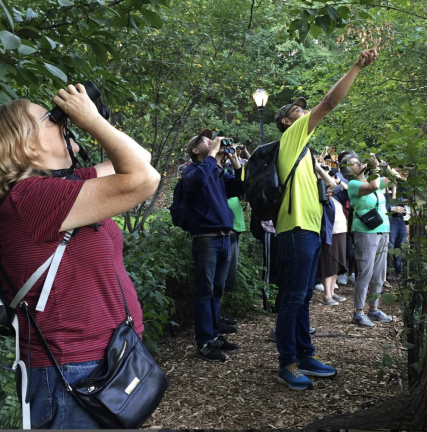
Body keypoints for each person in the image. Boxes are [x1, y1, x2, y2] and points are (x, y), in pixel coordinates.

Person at [0, 85, 160, 428]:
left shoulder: (63, 187)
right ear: (25, 145)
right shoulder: (28, 198)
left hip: (108, 358)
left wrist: (94, 120)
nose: (62, 122)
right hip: (72, 372)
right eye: (51, 118)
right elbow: (145, 180)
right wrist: (90, 122)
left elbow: (141, 158)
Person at [273, 41, 380, 390]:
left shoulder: (305, 152)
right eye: (296, 111)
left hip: (310, 228)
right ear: (286, 122)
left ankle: (305, 354)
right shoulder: (291, 137)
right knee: (293, 297)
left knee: (303, 296)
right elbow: (330, 103)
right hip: (295, 230)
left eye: (303, 110)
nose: (304, 112)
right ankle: (286, 362)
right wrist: (357, 67)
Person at [182, 129, 244, 362]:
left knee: (217, 289)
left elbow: (240, 189)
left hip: (224, 236)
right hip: (205, 237)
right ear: (195, 151)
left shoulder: (217, 172)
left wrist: (235, 162)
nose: (211, 140)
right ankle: (204, 341)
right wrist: (214, 155)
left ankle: (215, 334)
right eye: (204, 140)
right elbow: (197, 181)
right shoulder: (191, 170)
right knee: (204, 290)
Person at [340, 152, 400, 327]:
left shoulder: (372, 179)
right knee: (365, 272)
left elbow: (395, 178)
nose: (359, 163)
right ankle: (358, 312)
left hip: (383, 230)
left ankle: (373, 309)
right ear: (348, 170)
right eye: (354, 163)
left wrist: (381, 165)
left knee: (380, 273)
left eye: (358, 161)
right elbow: (374, 186)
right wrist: (375, 169)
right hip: (365, 232)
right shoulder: (353, 184)